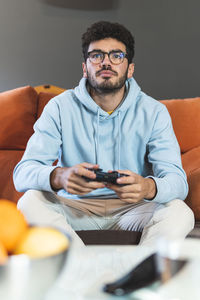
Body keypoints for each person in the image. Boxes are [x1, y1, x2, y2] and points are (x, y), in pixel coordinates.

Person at [13, 21, 194, 247]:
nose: (106, 62)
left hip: (131, 208)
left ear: (130, 68)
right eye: (97, 55)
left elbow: (177, 181)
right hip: (74, 207)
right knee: (29, 202)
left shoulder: (154, 111)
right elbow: (22, 173)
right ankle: (79, 264)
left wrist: (147, 187)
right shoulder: (59, 107)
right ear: (85, 67)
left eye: (117, 55)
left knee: (180, 212)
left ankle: (139, 273)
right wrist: (60, 176)